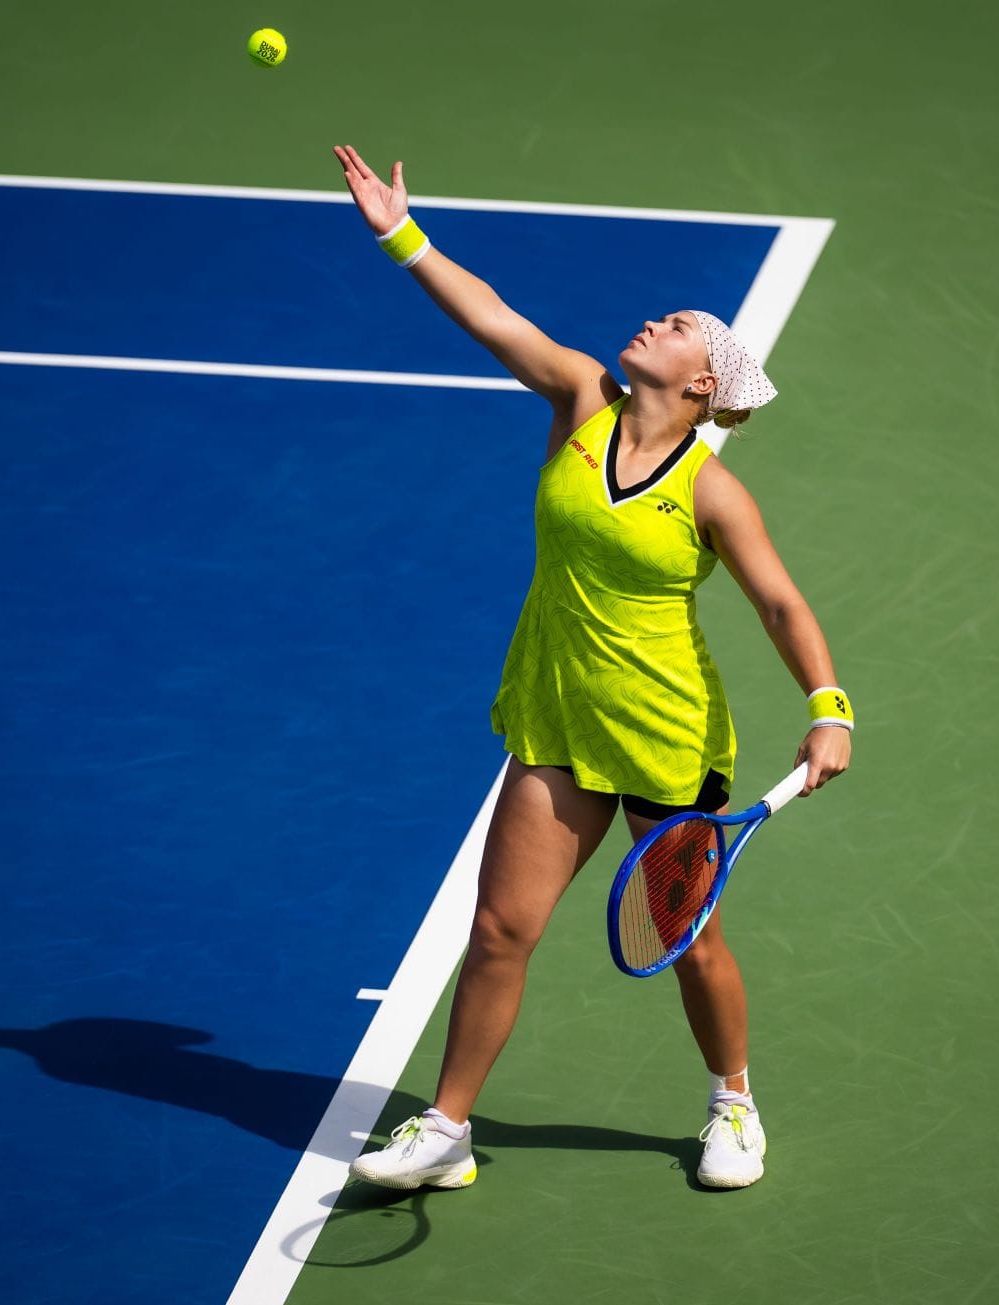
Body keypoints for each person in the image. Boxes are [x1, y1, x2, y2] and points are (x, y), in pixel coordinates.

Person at [334, 145, 852, 1191]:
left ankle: (734, 1104)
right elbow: (493, 318)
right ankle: (446, 1130)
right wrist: (401, 234)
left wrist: (829, 707)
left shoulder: (712, 493)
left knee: (691, 942)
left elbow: (781, 603)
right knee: (499, 930)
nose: (654, 321)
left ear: (702, 383)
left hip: (665, 734)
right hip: (561, 715)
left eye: (678, 325)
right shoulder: (581, 399)